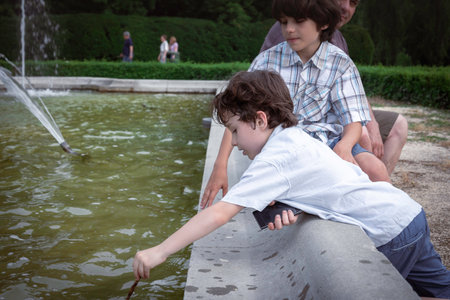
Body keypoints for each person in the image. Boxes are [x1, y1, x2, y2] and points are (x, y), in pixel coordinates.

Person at [132, 70, 450, 298]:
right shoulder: (294, 137)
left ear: (259, 119)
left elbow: (219, 214)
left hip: (389, 233)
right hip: (404, 213)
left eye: (234, 130)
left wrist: (159, 252)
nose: (235, 142)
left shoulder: (274, 158)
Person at [201, 0, 390, 210]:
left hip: (328, 142)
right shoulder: (267, 62)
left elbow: (353, 121)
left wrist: (344, 147)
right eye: (283, 22)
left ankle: (392, 229)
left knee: (376, 170)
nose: (289, 29)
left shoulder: (340, 63)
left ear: (324, 23)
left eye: (299, 21)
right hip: (282, 149)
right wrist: (220, 165)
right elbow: (238, 117)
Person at [260, 0, 408, 175]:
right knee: (363, 134)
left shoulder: (337, 40)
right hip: (303, 130)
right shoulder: (292, 31)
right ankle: (357, 184)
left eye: (353, 3)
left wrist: (371, 121)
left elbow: (351, 91)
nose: (346, 7)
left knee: (396, 126)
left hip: (332, 121)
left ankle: (371, 188)